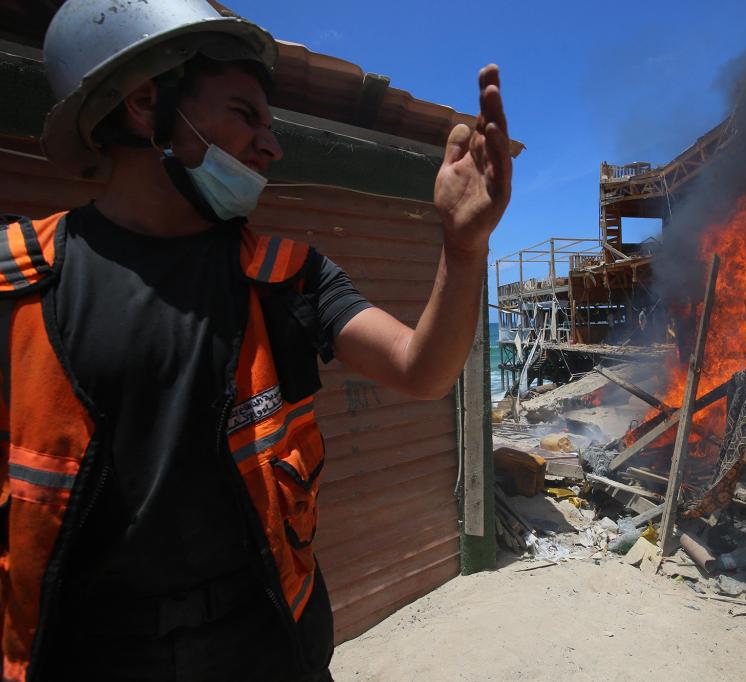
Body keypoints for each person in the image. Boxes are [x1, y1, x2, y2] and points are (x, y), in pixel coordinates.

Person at [0, 1, 511, 680]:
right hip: (84, 655)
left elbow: (423, 370)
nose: (271, 145)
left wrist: (463, 246)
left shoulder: (286, 277)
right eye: (245, 115)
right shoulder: (19, 280)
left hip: (265, 648)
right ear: (146, 103)